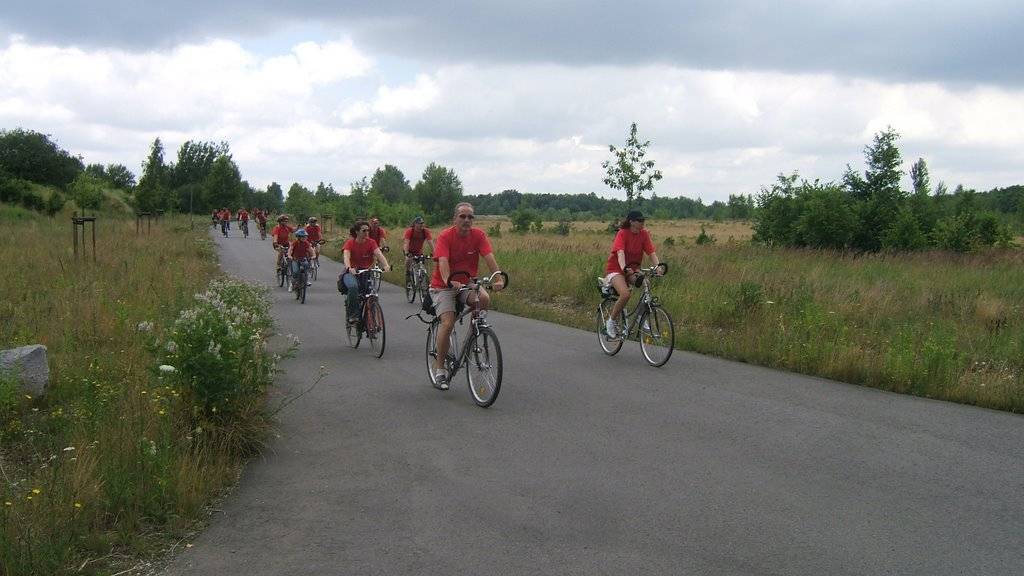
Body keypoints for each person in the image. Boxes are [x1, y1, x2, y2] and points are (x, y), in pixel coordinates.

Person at [429, 202, 504, 390]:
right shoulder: (446, 236)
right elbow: (443, 262)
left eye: (470, 216)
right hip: (443, 286)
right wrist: (448, 280)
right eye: (462, 216)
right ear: (455, 219)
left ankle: (474, 333)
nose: (467, 220)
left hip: (467, 282)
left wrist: (498, 277)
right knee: (448, 322)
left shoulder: (478, 235)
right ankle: (440, 370)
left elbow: (489, 256)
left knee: (484, 298)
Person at [603, 210, 662, 339]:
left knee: (646, 283)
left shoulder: (644, 234)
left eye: (643, 220)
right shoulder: (622, 233)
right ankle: (611, 322)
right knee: (625, 294)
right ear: (632, 222)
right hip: (617, 269)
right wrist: (624, 268)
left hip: (632, 269)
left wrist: (658, 266)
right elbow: (620, 253)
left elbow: (651, 252)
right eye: (640, 220)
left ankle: (642, 315)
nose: (643, 223)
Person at [341, 220, 391, 324]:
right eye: (364, 230)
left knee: (372, 294)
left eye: (368, 230)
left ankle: (371, 320)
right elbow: (346, 255)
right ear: (357, 232)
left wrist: (385, 265)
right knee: (354, 288)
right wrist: (349, 268)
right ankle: (353, 315)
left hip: (366, 272)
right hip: (352, 272)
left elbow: (379, 254)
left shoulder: (371, 242)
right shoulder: (350, 243)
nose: (367, 232)